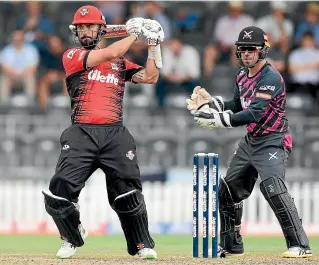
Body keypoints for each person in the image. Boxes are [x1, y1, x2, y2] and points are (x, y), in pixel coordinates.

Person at [42, 5, 164, 260]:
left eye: (91, 26)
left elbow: (151, 77)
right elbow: (108, 53)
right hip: (81, 133)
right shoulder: (72, 55)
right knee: (59, 192)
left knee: (127, 193)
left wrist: (153, 44)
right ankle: (72, 234)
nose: (85, 31)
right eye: (81, 27)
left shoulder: (120, 63)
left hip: (114, 135)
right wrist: (134, 34)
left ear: (101, 29)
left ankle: (142, 245)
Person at [186, 26, 312, 258]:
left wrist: (219, 121)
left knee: (273, 187)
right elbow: (237, 103)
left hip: (273, 141)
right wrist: (214, 103)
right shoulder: (242, 75)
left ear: (263, 51)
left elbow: (254, 113)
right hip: (251, 141)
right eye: (242, 49)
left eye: (251, 49)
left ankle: (300, 246)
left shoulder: (271, 77)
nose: (245, 54)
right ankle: (232, 246)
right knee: (227, 191)